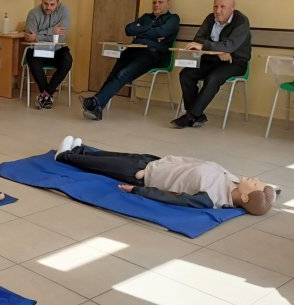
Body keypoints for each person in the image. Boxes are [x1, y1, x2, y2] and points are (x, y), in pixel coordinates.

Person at [54, 136, 275, 215]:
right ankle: (80, 150)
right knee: (112, 155)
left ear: (245, 198)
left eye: (255, 184)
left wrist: (139, 189)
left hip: (144, 176)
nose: (255, 179)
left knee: (104, 165)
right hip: (158, 162)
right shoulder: (233, 180)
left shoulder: (213, 198)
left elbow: (172, 198)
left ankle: (65, 156)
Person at [80, 0, 179, 121]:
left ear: (168, 4)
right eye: (154, 2)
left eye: (160, 2)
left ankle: (96, 102)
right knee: (113, 74)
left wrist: (141, 32)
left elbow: (162, 31)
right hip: (133, 50)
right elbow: (129, 29)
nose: (156, 5)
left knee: (123, 74)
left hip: (152, 54)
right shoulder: (146, 17)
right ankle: (97, 106)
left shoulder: (173, 19)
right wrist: (151, 29)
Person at [171, 0, 250, 129]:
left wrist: (216, 47)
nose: (218, 10)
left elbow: (230, 46)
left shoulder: (241, 21)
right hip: (212, 59)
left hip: (235, 62)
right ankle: (199, 115)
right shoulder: (210, 18)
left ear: (232, 7)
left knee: (213, 78)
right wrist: (219, 51)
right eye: (216, 6)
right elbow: (197, 39)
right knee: (185, 75)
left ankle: (190, 116)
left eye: (222, 7)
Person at [24, 0, 73, 110]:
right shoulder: (33, 13)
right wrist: (52, 31)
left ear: (58, 3)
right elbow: (30, 38)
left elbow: (60, 38)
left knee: (67, 60)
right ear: (41, 1)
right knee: (32, 58)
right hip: (38, 49)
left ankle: (45, 95)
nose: (48, 7)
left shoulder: (64, 11)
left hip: (57, 49)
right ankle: (47, 96)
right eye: (45, 4)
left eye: (52, 4)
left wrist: (38, 36)